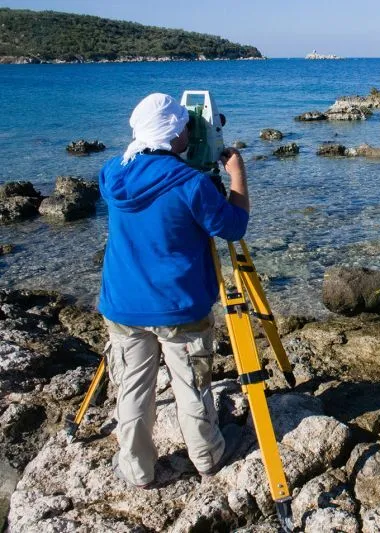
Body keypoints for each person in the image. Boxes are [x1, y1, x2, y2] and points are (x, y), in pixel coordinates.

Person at [98, 93, 249, 489]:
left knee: (132, 388)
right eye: (183, 125)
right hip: (179, 308)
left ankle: (136, 469)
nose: (188, 130)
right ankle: (208, 455)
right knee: (192, 386)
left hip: (123, 306)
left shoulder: (112, 173)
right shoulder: (192, 184)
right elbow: (233, 226)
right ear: (171, 133)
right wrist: (236, 174)